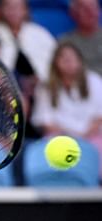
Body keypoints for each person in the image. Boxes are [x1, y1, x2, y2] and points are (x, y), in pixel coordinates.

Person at [31, 41, 102, 178]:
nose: (68, 62)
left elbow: (99, 117)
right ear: (55, 62)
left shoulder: (94, 81)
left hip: (91, 136)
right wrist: (66, 137)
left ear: (80, 61)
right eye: (63, 58)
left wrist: (82, 137)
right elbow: (45, 122)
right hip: (57, 138)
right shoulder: (46, 87)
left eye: (72, 58)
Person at [0, 0, 57, 139]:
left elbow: (55, 62)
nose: (13, 11)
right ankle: (11, 137)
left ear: (26, 10)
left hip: (42, 88)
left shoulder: (39, 33)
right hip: (5, 90)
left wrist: (38, 81)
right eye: (9, 7)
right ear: (1, 10)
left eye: (18, 7)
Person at [60, 0, 102, 76]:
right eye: (84, 8)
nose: (90, 11)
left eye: (93, 7)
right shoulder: (65, 42)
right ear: (73, 13)